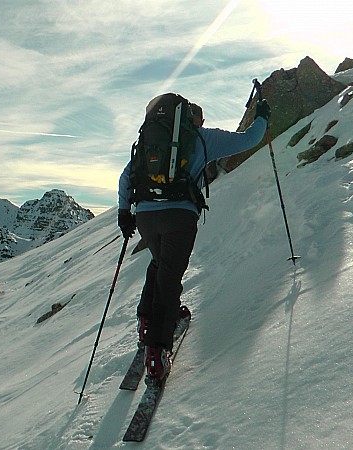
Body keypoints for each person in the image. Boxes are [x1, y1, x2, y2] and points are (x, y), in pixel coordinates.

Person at [117, 95, 270, 381]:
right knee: (170, 277)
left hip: (146, 216)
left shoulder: (149, 140)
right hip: (179, 216)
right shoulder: (203, 137)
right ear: (194, 119)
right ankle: (157, 351)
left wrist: (125, 212)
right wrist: (261, 115)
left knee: (159, 262)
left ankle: (146, 320)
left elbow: (126, 177)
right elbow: (249, 139)